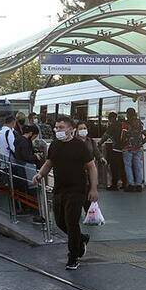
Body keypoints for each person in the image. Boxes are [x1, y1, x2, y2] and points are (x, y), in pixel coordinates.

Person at [33, 115, 98, 270]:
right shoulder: (54, 145)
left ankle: (73, 256)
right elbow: (49, 162)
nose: (57, 130)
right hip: (59, 189)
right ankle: (81, 239)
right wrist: (40, 174)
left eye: (61, 127)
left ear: (71, 129)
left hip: (77, 190)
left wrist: (93, 188)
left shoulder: (80, 145)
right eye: (56, 127)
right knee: (60, 222)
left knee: (72, 222)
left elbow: (91, 167)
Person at [76, 121, 106, 212]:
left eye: (84, 128)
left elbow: (96, 152)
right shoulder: (74, 142)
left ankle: (88, 210)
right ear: (76, 131)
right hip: (78, 170)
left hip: (90, 169)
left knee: (89, 189)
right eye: (80, 129)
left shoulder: (91, 141)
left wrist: (101, 158)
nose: (83, 130)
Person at [121, 108, 146, 192]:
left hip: (128, 148)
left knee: (128, 166)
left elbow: (122, 137)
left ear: (128, 114)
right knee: (138, 166)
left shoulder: (125, 124)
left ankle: (131, 185)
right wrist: (140, 144)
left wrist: (124, 144)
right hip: (138, 148)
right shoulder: (140, 123)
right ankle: (139, 185)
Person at [98, 112, 125, 190]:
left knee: (114, 167)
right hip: (124, 149)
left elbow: (105, 136)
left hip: (116, 149)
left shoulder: (113, 125)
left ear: (110, 118)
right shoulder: (122, 124)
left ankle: (114, 185)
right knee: (122, 167)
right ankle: (124, 183)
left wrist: (99, 143)